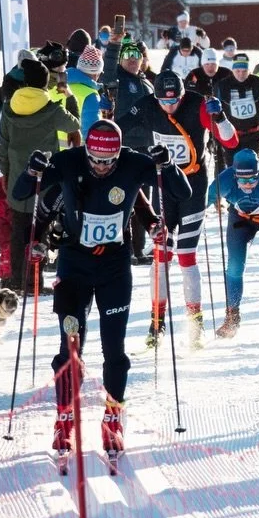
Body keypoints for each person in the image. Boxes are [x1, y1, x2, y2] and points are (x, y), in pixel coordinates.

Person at [21, 121, 189, 466]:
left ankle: (113, 418)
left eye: (108, 160)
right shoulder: (68, 162)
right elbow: (23, 192)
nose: (101, 166)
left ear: (118, 153)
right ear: (87, 151)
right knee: (71, 344)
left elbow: (181, 193)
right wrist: (31, 171)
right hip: (73, 267)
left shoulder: (132, 163)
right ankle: (64, 417)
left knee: (115, 349)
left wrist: (168, 166)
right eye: (96, 159)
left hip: (114, 268)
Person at [117, 70, 238, 347]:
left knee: (185, 254)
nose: (169, 106)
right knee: (161, 253)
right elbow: (117, 128)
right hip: (165, 183)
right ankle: (156, 323)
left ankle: (195, 325)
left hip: (194, 184)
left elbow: (230, 141)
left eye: (175, 101)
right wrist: (105, 116)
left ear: (183, 95)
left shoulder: (197, 104)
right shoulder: (148, 104)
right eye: (164, 101)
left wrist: (219, 117)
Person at [2, 58, 83, 294]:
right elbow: (73, 124)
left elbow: (5, 146)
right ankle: (34, 282)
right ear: (44, 83)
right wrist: (68, 97)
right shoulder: (52, 109)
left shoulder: (9, 107)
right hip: (44, 180)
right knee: (40, 230)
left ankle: (16, 280)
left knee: (18, 231)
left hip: (17, 176)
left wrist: (6, 174)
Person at [212, 149, 259, 343]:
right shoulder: (225, 179)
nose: (248, 185)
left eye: (253, 179)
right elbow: (203, 198)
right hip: (241, 218)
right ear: (235, 174)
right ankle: (232, 317)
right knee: (235, 265)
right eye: (243, 180)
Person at [215, 54, 259, 161]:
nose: (241, 74)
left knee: (251, 167)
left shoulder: (258, 82)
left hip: (253, 135)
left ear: (249, 70)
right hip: (231, 136)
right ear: (232, 70)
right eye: (238, 71)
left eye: (244, 71)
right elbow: (216, 113)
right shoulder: (222, 85)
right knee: (232, 169)